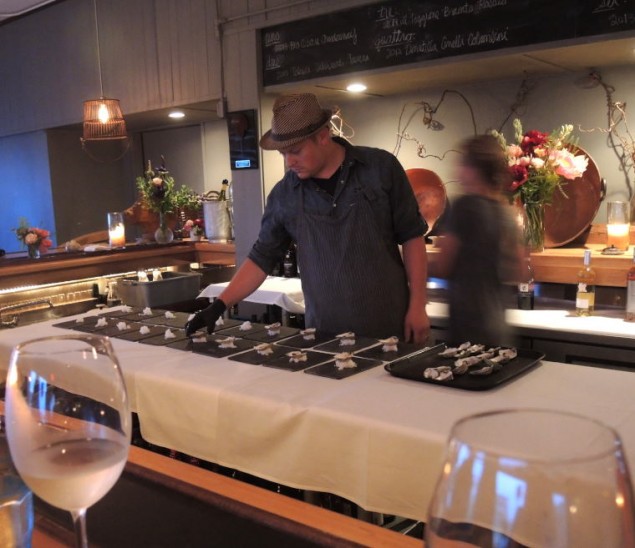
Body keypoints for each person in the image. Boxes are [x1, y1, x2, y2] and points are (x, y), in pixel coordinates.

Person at [186, 93, 430, 342]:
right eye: (282, 154)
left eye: (296, 151)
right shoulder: (284, 195)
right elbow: (261, 258)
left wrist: (418, 306)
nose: (289, 161)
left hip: (391, 326)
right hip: (325, 334)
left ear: (323, 136)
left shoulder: (380, 168)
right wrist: (218, 306)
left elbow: (412, 237)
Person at [428, 134, 523, 346]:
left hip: (468, 324)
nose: (458, 170)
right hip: (498, 325)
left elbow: (443, 267)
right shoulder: (506, 211)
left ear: (474, 169)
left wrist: (408, 263)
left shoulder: (465, 206)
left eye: (462, 163)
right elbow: (519, 270)